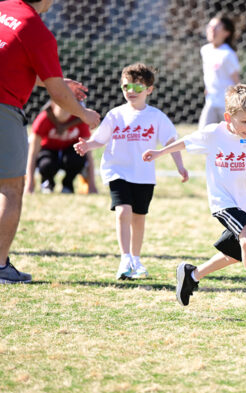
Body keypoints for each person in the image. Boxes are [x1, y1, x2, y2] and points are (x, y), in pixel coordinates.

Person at [0, 0, 100, 284]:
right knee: (12, 188)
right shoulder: (37, 29)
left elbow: (8, 63)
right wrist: (85, 114)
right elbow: (58, 96)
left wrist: (59, 81)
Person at [142, 84, 246, 322]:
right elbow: (184, 142)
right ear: (228, 117)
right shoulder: (214, 133)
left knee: (237, 254)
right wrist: (159, 153)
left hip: (244, 204)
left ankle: (192, 275)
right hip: (222, 203)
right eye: (244, 121)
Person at [74, 63, 188, 280]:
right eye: (126, 87)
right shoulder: (115, 115)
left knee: (139, 217)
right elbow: (100, 138)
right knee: (123, 211)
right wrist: (88, 144)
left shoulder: (156, 116)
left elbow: (172, 142)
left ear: (149, 89)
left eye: (137, 87)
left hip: (144, 175)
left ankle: (136, 259)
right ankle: (125, 258)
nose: (131, 91)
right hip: (118, 171)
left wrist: (180, 166)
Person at [200, 14, 246, 195]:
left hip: (227, 105)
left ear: (226, 32)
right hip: (211, 102)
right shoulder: (205, 50)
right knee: (203, 138)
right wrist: (207, 89)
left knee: (237, 141)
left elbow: (235, 81)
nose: (211, 30)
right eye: (210, 26)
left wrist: (237, 104)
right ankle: (241, 174)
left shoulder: (228, 54)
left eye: (216, 27)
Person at [25, 100, 98, 194]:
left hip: (70, 151)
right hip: (48, 150)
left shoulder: (80, 121)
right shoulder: (43, 119)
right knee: (46, 164)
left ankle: (68, 184)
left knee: (76, 159)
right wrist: (30, 184)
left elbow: (89, 155)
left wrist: (92, 185)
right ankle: (47, 182)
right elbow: (33, 154)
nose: (65, 109)